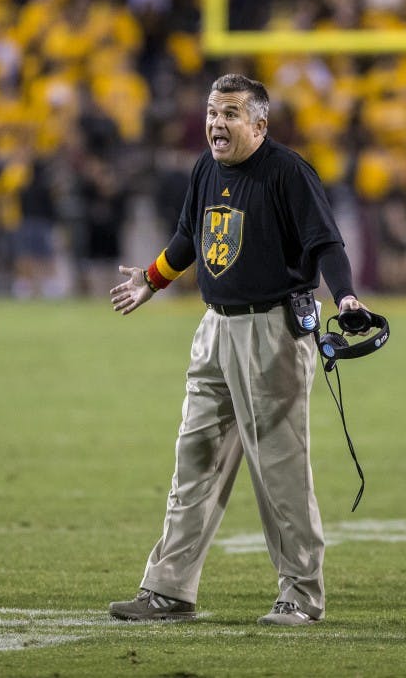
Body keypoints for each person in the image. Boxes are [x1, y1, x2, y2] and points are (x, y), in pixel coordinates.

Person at [108, 73, 368, 626]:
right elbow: (189, 240)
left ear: (259, 123)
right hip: (216, 328)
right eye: (211, 112)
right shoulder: (205, 168)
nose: (216, 124)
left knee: (279, 469)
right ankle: (169, 589)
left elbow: (326, 243)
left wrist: (345, 298)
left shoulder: (287, 171)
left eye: (229, 114)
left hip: (272, 332)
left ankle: (301, 593)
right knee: (193, 460)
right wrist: (150, 281)